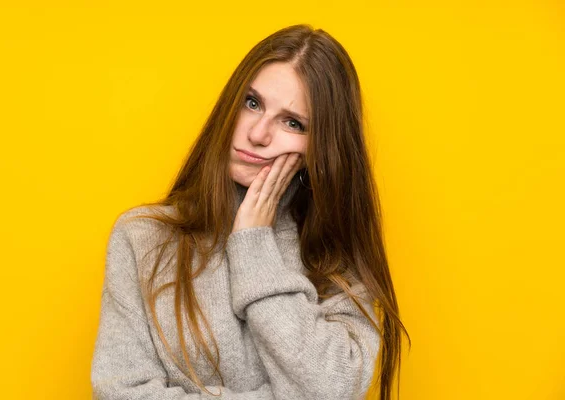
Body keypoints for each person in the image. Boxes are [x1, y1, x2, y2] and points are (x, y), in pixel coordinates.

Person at [91, 24, 410, 400]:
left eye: (293, 122)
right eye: (252, 102)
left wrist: (253, 247)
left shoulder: (336, 261)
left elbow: (333, 389)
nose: (258, 134)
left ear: (321, 146)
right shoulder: (143, 238)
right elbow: (119, 393)